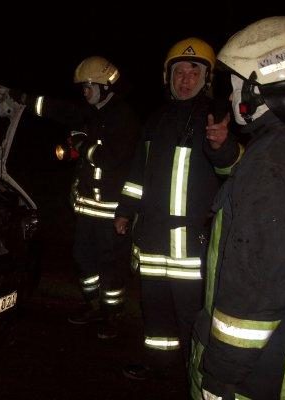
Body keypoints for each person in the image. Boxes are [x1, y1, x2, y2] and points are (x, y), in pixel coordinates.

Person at [113, 38, 243, 380]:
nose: (185, 79)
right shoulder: (155, 120)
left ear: (207, 78)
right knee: (154, 309)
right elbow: (137, 174)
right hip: (153, 239)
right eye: (179, 72)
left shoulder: (216, 115)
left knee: (191, 313)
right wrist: (125, 210)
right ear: (167, 77)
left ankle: (195, 372)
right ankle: (160, 366)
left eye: (194, 72)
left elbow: (232, 166)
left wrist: (223, 145)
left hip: (191, 245)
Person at [189, 16, 285, 400]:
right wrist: (224, 153)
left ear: (259, 89)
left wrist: (221, 374)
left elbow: (256, 286)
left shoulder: (270, 162)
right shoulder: (283, 149)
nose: (232, 98)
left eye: (237, 87)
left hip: (259, 375)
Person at [20, 56, 140, 336]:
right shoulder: (94, 114)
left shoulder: (123, 118)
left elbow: (110, 159)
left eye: (89, 86)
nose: (84, 92)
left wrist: (82, 144)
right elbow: (60, 111)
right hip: (86, 209)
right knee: (83, 258)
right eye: (83, 87)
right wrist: (26, 101)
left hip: (111, 212)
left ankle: (112, 315)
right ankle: (93, 305)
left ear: (105, 87)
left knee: (111, 266)